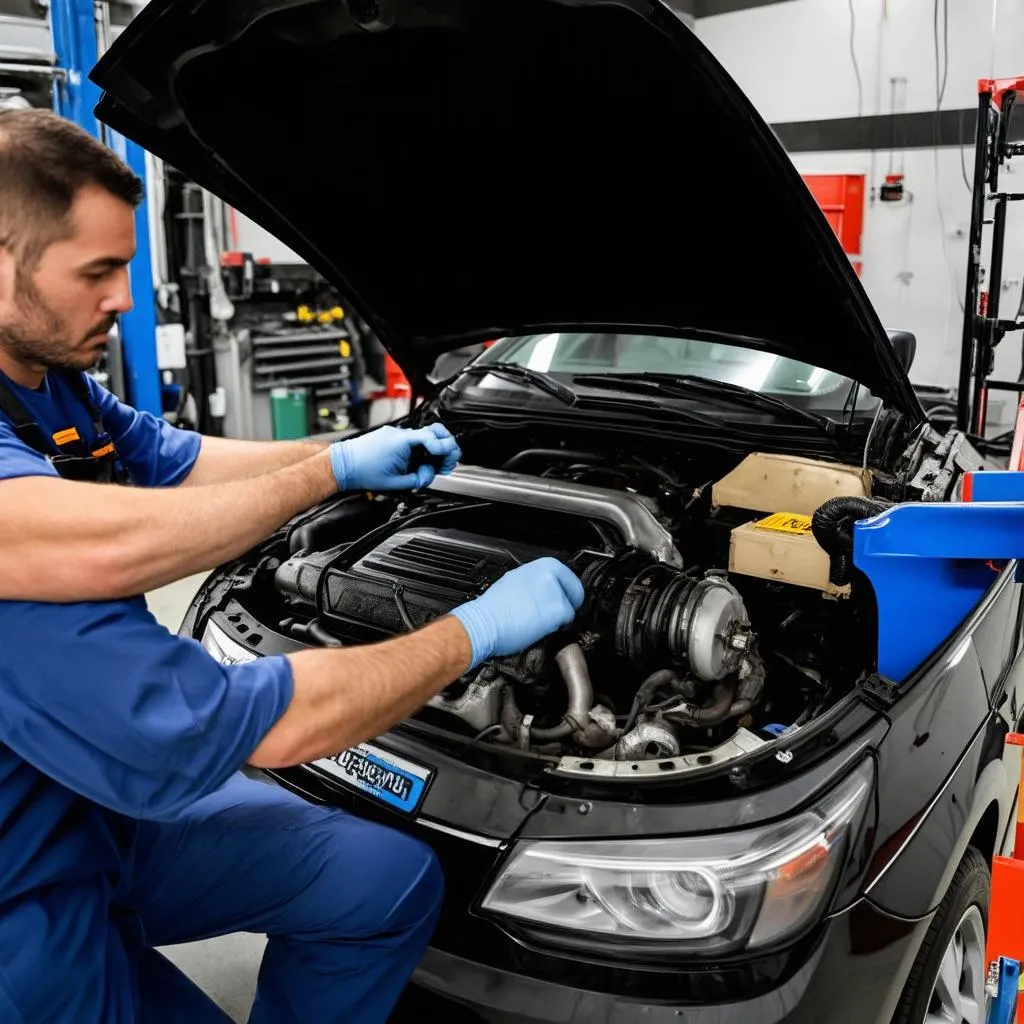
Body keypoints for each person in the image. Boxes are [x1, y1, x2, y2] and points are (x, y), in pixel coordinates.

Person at [0, 107, 585, 1023]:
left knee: (383, 881)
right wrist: (473, 629)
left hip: (104, 811)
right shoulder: (34, 554)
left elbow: (169, 457)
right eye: (98, 271)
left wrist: (353, 458)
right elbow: (249, 714)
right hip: (21, 900)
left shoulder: (44, 375)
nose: (124, 296)